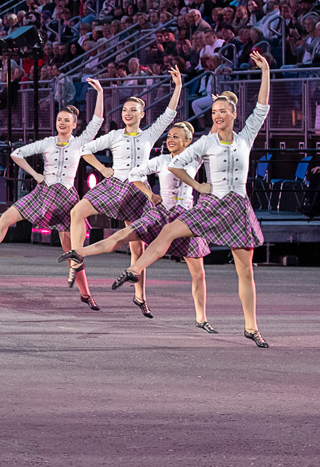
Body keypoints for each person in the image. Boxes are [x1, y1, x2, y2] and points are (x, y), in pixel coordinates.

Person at [112, 53, 272, 348]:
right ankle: (135, 270)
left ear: (234, 114)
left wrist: (266, 72)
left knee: (245, 270)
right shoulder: (206, 142)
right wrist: (199, 184)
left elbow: (261, 108)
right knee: (169, 230)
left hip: (237, 207)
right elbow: (175, 165)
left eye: (223, 110)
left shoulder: (245, 137)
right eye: (214, 112)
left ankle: (251, 327)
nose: (218, 115)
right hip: (210, 205)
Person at [59, 122, 215, 330]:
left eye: (176, 137)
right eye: (169, 136)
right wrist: (150, 194)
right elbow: (134, 176)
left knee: (198, 272)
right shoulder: (160, 161)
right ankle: (78, 252)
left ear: (188, 142)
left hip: (185, 218)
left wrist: (218, 112)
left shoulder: (194, 158)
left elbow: (212, 138)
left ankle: (201, 318)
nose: (170, 140)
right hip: (161, 214)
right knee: (121, 236)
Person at [66, 67, 183, 312]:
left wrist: (178, 87)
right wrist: (103, 169)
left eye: (133, 110)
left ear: (142, 114)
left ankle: (140, 296)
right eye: (125, 110)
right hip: (114, 185)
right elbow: (85, 150)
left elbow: (169, 115)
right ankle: (77, 259)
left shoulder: (150, 134)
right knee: (77, 212)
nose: (127, 113)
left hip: (138, 190)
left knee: (137, 246)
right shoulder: (115, 135)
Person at [0, 79, 104, 277]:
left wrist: (100, 93)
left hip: (66, 195)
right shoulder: (47, 142)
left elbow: (97, 121)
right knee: (6, 218)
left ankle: (77, 278)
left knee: (67, 241)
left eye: (66, 120)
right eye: (59, 119)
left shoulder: (79, 143)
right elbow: (16, 154)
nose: (61, 123)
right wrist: (36, 175)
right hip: (43, 193)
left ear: (74, 124)